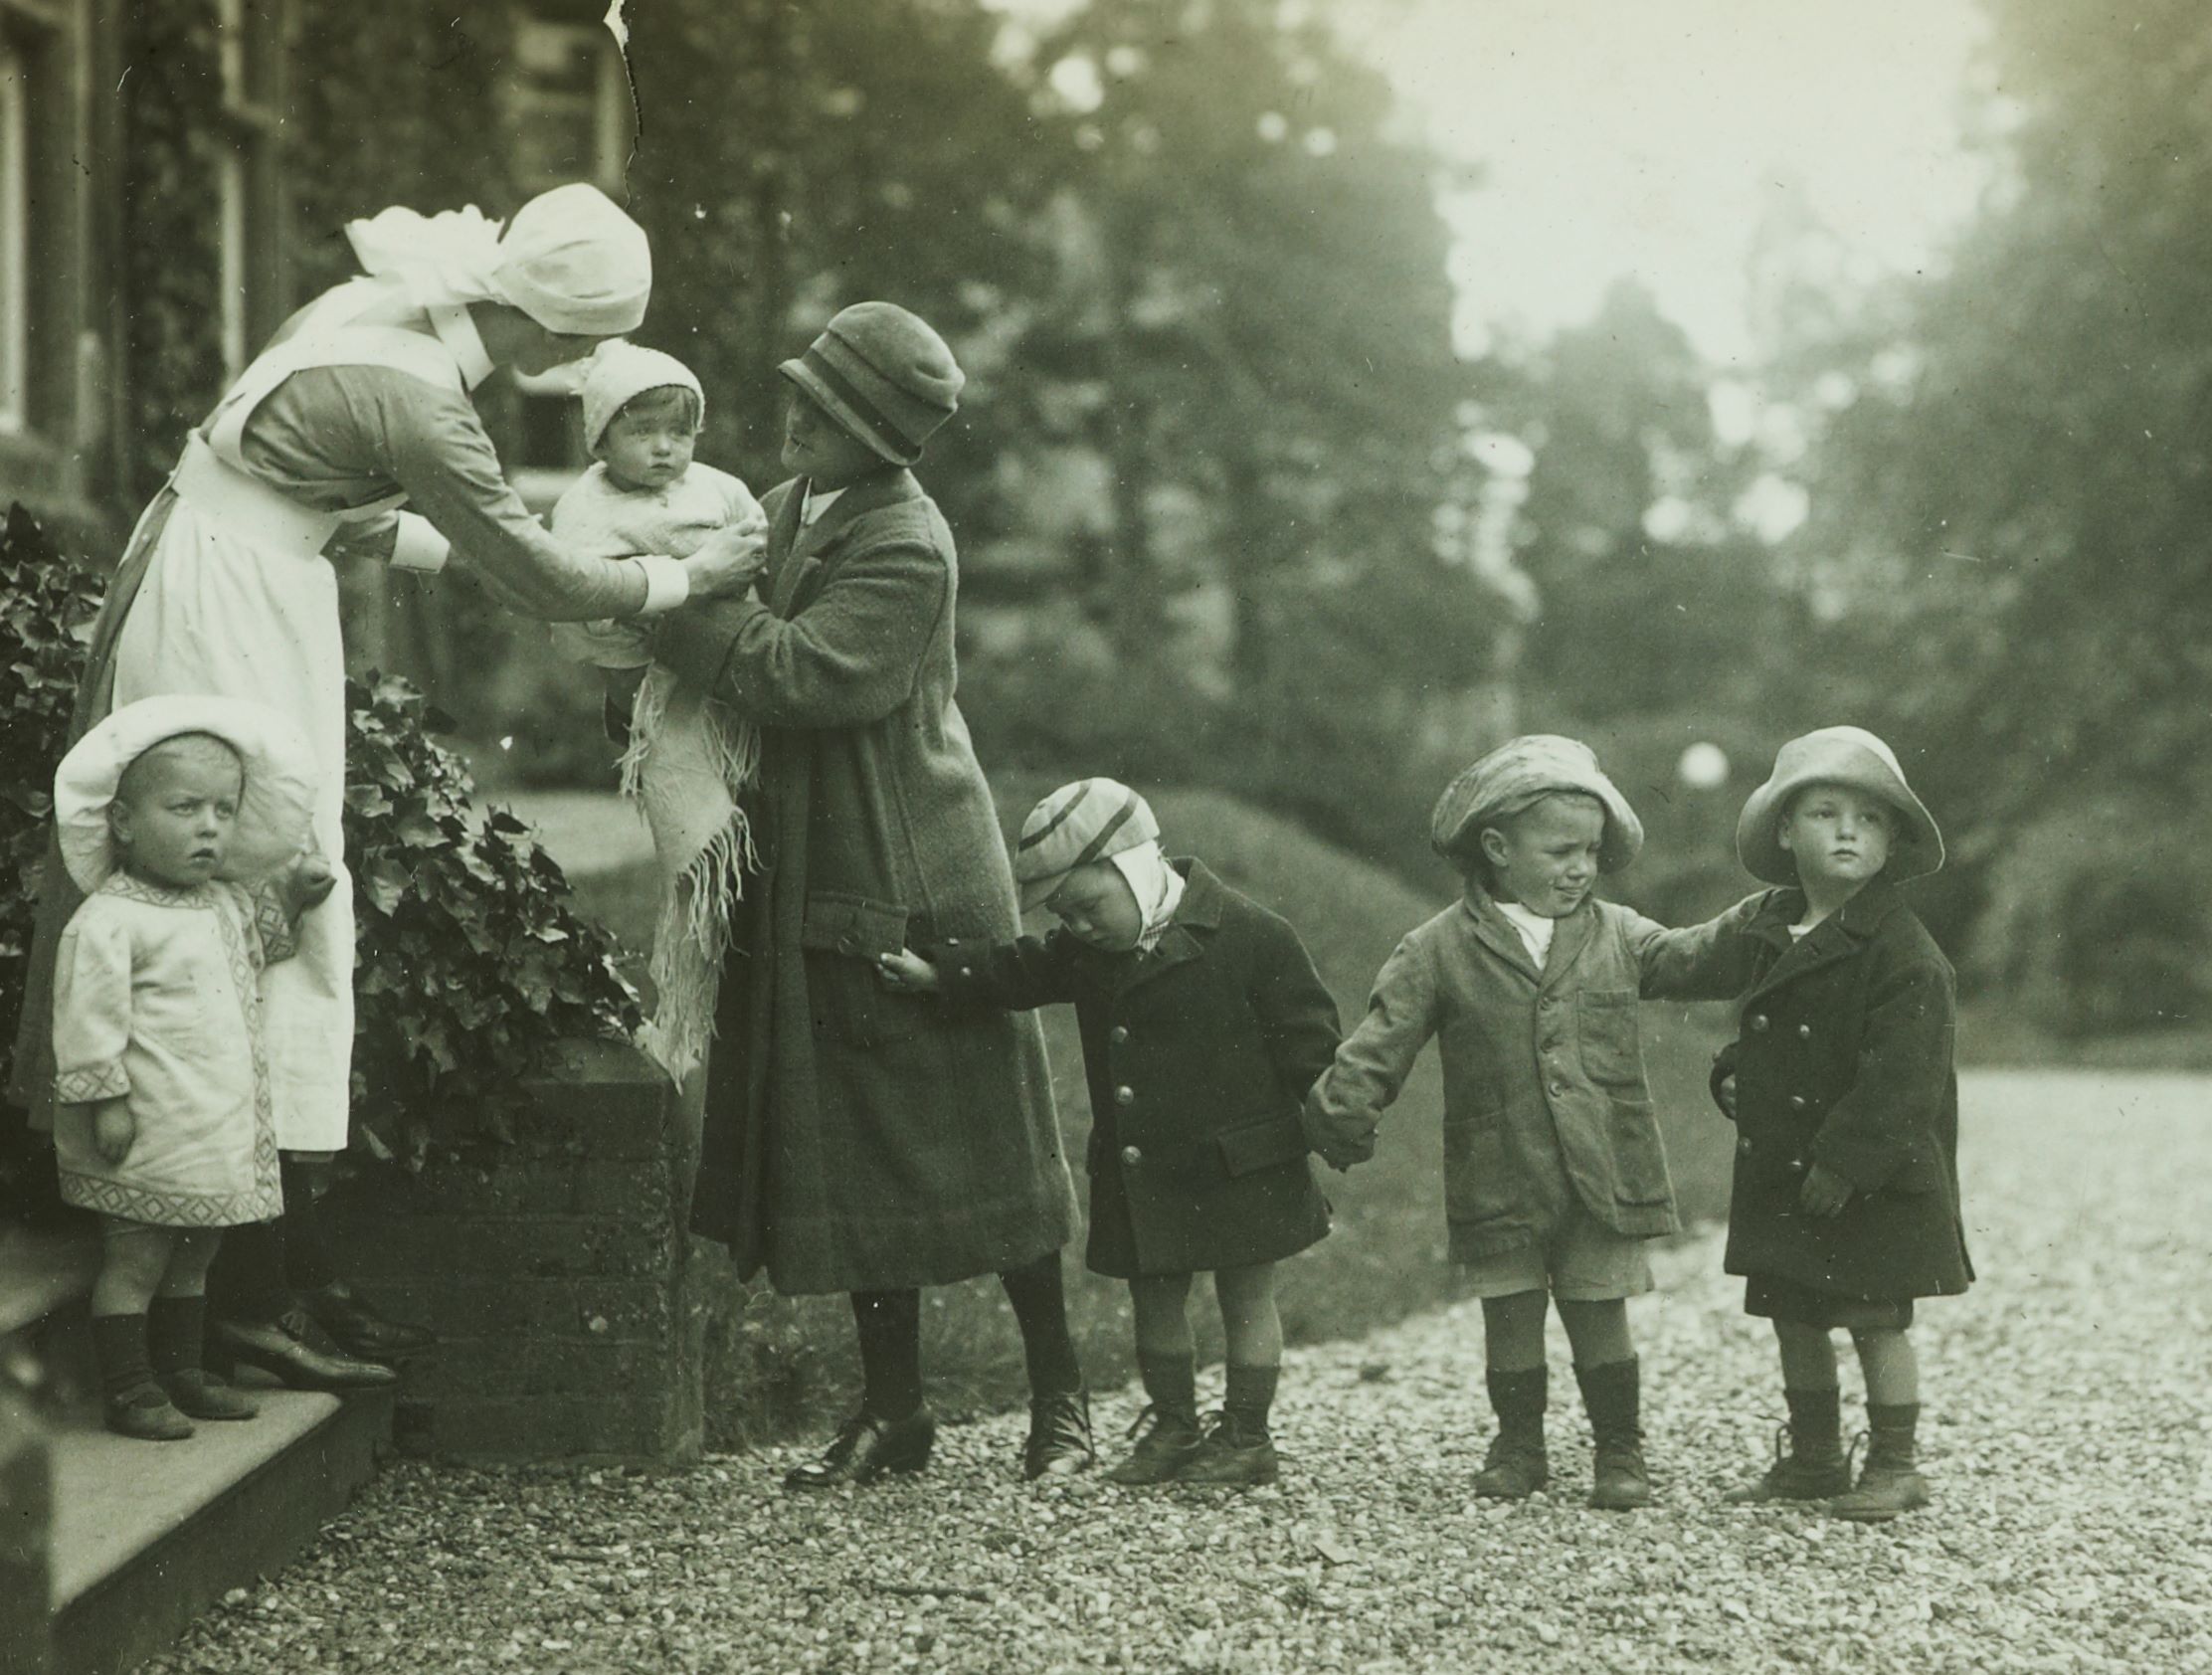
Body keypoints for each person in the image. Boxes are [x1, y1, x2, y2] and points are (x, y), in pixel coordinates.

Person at [8, 183, 765, 1392]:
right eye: (592, 343)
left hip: (243, 579)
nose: (588, 367)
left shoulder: (384, 313)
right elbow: (537, 572)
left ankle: (265, 1274)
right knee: (260, 916)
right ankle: (243, 1293)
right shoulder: (419, 396)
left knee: (275, 920)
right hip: (230, 614)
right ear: (565, 336)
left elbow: (356, 523)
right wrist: (690, 577)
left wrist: (524, 556)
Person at [658, 301, 1088, 1487]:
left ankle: (1063, 1399)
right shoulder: (786, 508)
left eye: (829, 408)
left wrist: (667, 597)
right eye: (801, 391)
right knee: (851, 1142)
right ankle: (896, 1414)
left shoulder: (909, 539)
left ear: (883, 439)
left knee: (992, 1146)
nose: (796, 416)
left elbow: (804, 675)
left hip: (913, 868)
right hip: (819, 855)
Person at [881, 779, 1341, 1487]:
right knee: (1154, 1297)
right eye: (1066, 916)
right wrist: (942, 972)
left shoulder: (1254, 935)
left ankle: (1248, 1437)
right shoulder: (1085, 951)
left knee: (1247, 1295)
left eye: (1089, 906)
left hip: (1246, 1164)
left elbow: (1310, 1038)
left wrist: (1337, 1115)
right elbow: (1019, 967)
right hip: (1147, 1168)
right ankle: (1174, 1426)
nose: (1081, 928)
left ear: (1136, 864)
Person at [1302, 736, 1698, 1511]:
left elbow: (1689, 958)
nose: (1581, 867)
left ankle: (1621, 1449)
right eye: (1560, 850)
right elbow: (1384, 1036)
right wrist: (1342, 1110)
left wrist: (1762, 924)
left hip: (1601, 1169)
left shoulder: (1617, 931)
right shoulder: (1438, 947)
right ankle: (1519, 1445)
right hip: (1499, 1166)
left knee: (1598, 1311)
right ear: (1496, 848)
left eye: (1591, 850)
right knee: (1510, 1315)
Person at [1639, 727, 1972, 1522]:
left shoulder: (1904, 954)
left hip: (1871, 1172)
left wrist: (1846, 1163)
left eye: (1870, 818)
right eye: (1825, 812)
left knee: (1873, 1318)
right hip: (1785, 1164)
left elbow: (1903, 1080)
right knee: (1793, 1309)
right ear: (1786, 831)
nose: (1849, 829)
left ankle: (1896, 1462)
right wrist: (1734, 1063)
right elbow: (1691, 966)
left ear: (1892, 842)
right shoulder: (1766, 922)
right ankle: (1817, 1457)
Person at [46, 698, 331, 1438]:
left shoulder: (223, 903)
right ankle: (130, 1387)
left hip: (210, 1121)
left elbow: (255, 951)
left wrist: (292, 903)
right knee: (136, 1260)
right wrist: (105, 1098)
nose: (209, 826)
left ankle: (182, 1371)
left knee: (194, 1256)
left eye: (223, 811)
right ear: (125, 823)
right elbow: (85, 1021)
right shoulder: (110, 920)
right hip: (147, 1121)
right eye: (185, 808)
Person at [548, 341, 767, 1080]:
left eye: (679, 430)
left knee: (744, 796)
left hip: (727, 665)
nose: (664, 448)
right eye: (642, 432)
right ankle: (688, 999)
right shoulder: (585, 506)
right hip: (644, 673)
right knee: (685, 803)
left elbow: (755, 546)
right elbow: (582, 595)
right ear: (601, 436)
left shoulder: (720, 488)